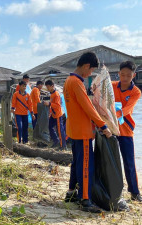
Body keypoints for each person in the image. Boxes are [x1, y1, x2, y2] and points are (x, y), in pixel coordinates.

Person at [63, 52, 112, 213]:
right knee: (86, 165)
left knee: (76, 162)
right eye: (91, 70)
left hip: (73, 129)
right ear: (86, 66)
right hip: (82, 132)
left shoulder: (68, 81)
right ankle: (86, 200)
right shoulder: (76, 83)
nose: (90, 74)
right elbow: (88, 107)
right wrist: (103, 126)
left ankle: (71, 193)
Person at [112, 61, 142, 202]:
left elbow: (128, 109)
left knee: (129, 162)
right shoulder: (111, 85)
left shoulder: (136, 92)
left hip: (125, 129)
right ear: (118, 74)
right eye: (122, 74)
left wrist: (115, 114)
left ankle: (134, 192)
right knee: (109, 159)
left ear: (133, 75)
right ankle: (109, 188)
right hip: (110, 129)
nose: (124, 78)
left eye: (128, 75)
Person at [44, 79, 66, 150]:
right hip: (53, 115)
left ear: (52, 86)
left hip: (57, 115)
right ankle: (56, 140)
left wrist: (49, 104)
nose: (47, 88)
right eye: (46, 87)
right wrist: (50, 112)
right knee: (50, 126)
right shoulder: (52, 94)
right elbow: (52, 105)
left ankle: (63, 146)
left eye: (48, 87)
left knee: (60, 130)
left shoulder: (56, 94)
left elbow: (57, 105)